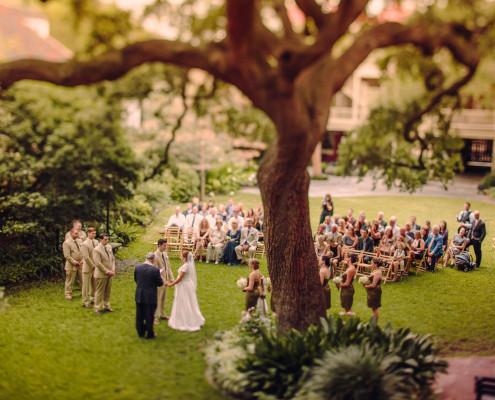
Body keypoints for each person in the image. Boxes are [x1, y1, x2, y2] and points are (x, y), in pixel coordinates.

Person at [167, 251, 205, 331]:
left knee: (184, 302)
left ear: (185, 258)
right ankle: (195, 318)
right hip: (188, 284)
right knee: (190, 302)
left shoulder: (185, 267)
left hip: (184, 286)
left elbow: (180, 279)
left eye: (181, 256)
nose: (180, 257)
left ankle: (185, 320)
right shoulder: (190, 265)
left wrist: (171, 284)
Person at [134, 253, 164, 339]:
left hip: (139, 295)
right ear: (153, 260)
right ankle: (150, 333)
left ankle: (140, 332)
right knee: (149, 315)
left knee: (139, 315)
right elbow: (160, 283)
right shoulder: (155, 270)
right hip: (150, 296)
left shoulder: (137, 268)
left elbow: (136, 280)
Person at [92, 233, 116, 314]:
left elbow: (112, 259)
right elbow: (98, 263)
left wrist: (112, 269)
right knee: (99, 291)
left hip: (109, 273)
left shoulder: (109, 247)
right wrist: (107, 271)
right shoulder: (96, 250)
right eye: (105, 239)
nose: (107, 241)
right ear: (100, 240)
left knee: (108, 291)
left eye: (107, 239)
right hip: (101, 274)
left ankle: (106, 306)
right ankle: (97, 308)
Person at [154, 239, 174, 323]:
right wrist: (163, 280)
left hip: (165, 280)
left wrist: (171, 278)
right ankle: (153, 317)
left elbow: (168, 267)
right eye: (164, 245)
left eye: (166, 245)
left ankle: (162, 314)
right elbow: (156, 271)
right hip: (159, 281)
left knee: (163, 298)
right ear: (159, 245)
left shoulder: (165, 254)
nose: (166, 247)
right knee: (157, 299)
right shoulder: (155, 256)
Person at [62, 228, 84, 301]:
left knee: (83, 280)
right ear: (71, 234)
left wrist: (82, 260)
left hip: (81, 264)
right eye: (76, 233)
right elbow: (67, 255)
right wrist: (75, 262)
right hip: (71, 265)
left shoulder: (80, 241)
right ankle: (68, 294)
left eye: (78, 233)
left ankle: (84, 292)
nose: (77, 235)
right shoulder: (66, 243)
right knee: (70, 281)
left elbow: (83, 251)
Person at [80, 228, 98, 308]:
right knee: (86, 285)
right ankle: (85, 302)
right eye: (92, 233)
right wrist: (93, 266)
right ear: (88, 233)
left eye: (95, 233)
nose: (94, 235)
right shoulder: (84, 244)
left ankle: (93, 299)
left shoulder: (96, 242)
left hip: (96, 267)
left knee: (94, 284)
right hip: (88, 268)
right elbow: (86, 257)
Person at [364, 257, 383, 322]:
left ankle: (375, 322)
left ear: (376, 264)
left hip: (375, 290)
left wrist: (366, 286)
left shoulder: (378, 273)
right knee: (373, 307)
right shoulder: (375, 271)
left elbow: (373, 285)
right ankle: (374, 321)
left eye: (372, 263)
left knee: (375, 308)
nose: (371, 264)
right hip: (373, 290)